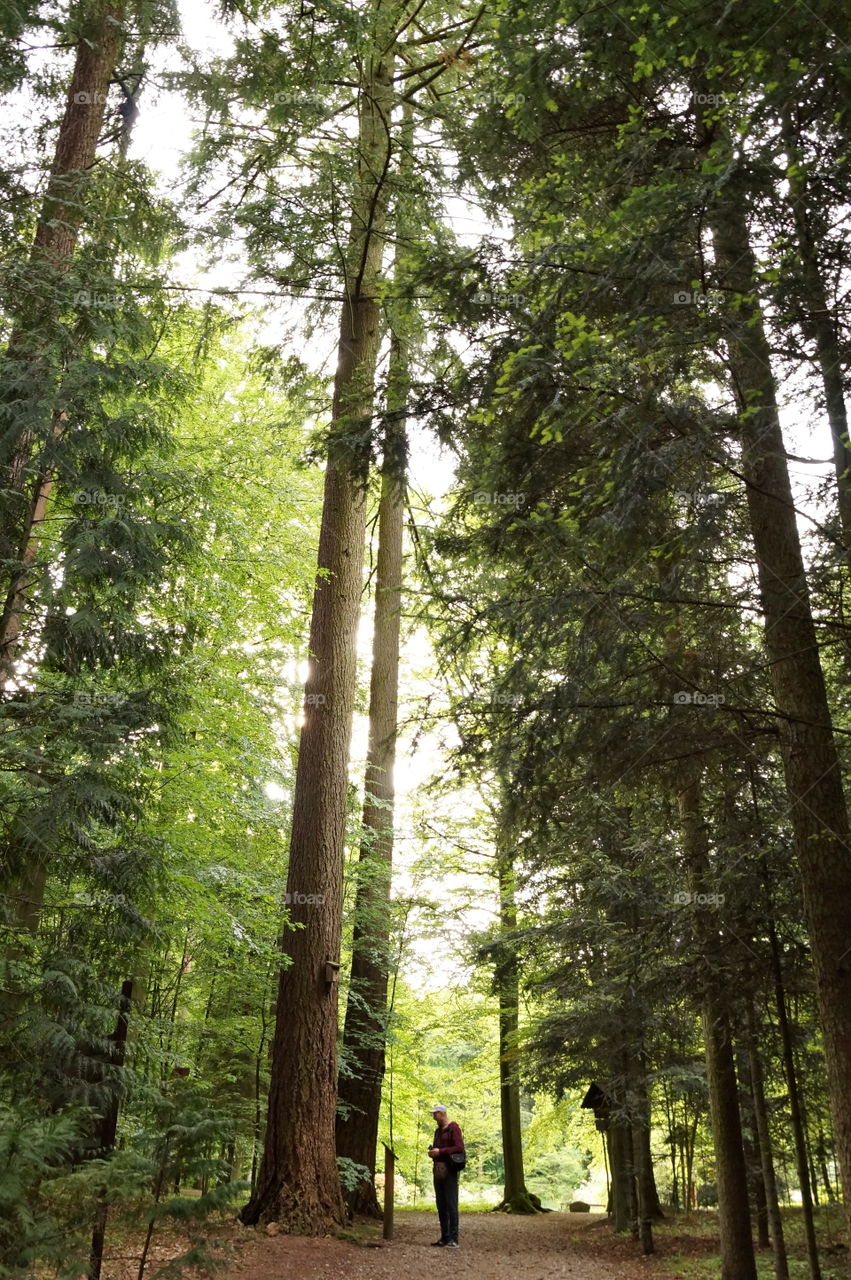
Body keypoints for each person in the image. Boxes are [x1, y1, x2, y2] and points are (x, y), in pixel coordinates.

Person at [427, 1104, 464, 1248]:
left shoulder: (453, 1128)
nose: (434, 1117)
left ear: (442, 1114)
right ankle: (444, 1237)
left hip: (450, 1170)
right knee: (441, 1204)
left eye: (435, 1114)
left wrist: (441, 1152)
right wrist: (433, 1153)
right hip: (437, 1170)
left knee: (451, 1205)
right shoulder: (437, 1131)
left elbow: (459, 1147)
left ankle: (454, 1239)